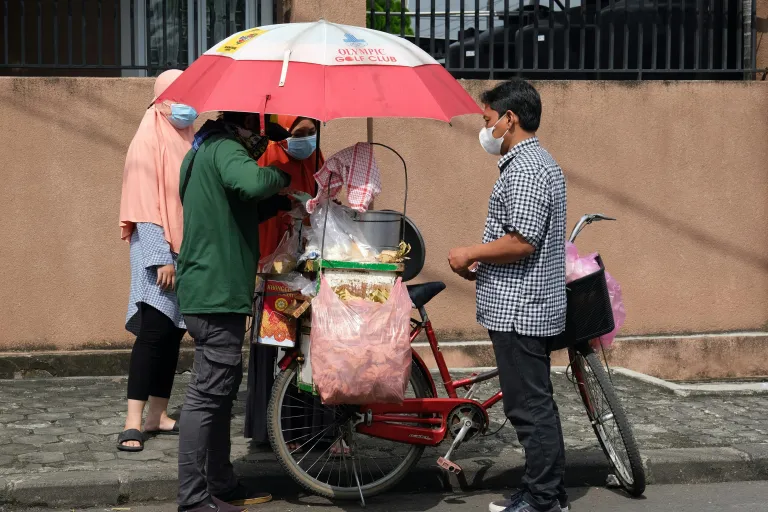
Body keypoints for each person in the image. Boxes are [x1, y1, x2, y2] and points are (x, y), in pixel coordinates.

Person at [448, 79, 569, 512]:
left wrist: (470, 252)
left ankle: (541, 500)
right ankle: (547, 491)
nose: (485, 129)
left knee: (529, 409)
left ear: (508, 119)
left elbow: (523, 241)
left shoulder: (526, 168)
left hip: (522, 312)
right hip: (524, 303)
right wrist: (482, 262)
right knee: (537, 405)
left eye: (487, 120)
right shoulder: (533, 164)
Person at [175, 111, 293, 512]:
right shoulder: (225, 148)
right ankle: (193, 500)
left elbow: (228, 206)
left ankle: (221, 484)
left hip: (208, 286)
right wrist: (282, 177)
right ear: (247, 129)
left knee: (221, 393)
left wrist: (272, 205)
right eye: (263, 138)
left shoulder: (200, 152)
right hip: (215, 289)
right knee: (207, 396)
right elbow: (251, 181)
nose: (263, 146)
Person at [117, 69, 197, 452]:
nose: (187, 105)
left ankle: (158, 415)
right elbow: (144, 203)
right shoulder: (147, 138)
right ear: (161, 98)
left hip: (185, 250)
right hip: (159, 251)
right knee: (153, 333)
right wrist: (161, 257)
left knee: (172, 334)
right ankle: (133, 422)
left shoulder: (186, 135)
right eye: (180, 95)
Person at [244, 115, 324, 447]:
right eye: (298, 133)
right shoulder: (267, 157)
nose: (306, 140)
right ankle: (273, 430)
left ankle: (308, 428)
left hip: (305, 262)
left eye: (312, 132)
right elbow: (256, 204)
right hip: (271, 263)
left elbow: (322, 201)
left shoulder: (318, 158)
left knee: (306, 347)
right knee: (275, 344)